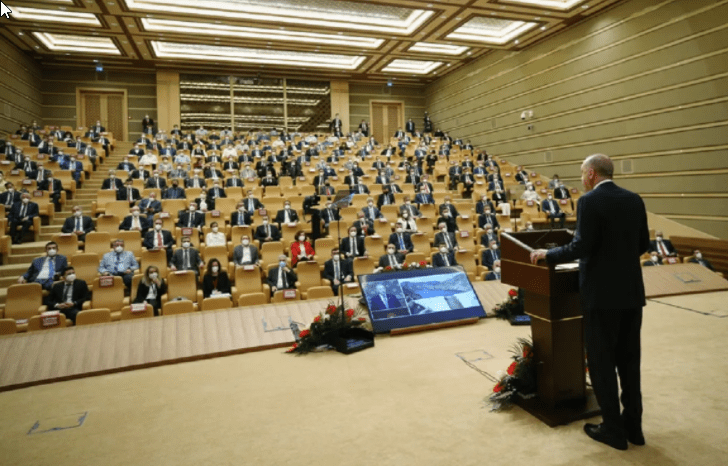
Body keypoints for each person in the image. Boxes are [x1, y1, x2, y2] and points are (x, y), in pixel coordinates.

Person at [530, 154, 649, 451]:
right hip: (631, 294)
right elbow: (643, 244)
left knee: (602, 363)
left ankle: (612, 430)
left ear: (592, 173)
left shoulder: (589, 201)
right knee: (630, 362)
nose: (582, 178)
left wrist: (549, 255)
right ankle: (633, 427)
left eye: (583, 173)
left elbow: (581, 246)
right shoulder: (634, 199)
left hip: (601, 297)